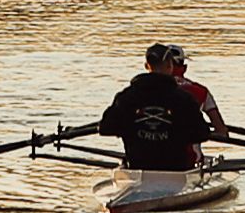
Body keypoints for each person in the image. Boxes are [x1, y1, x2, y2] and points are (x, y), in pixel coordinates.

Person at [95, 40, 228, 175]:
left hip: (137, 167)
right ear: (170, 66)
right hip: (178, 170)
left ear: (146, 66)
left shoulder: (126, 97)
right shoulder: (185, 98)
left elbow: (105, 128)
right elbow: (201, 134)